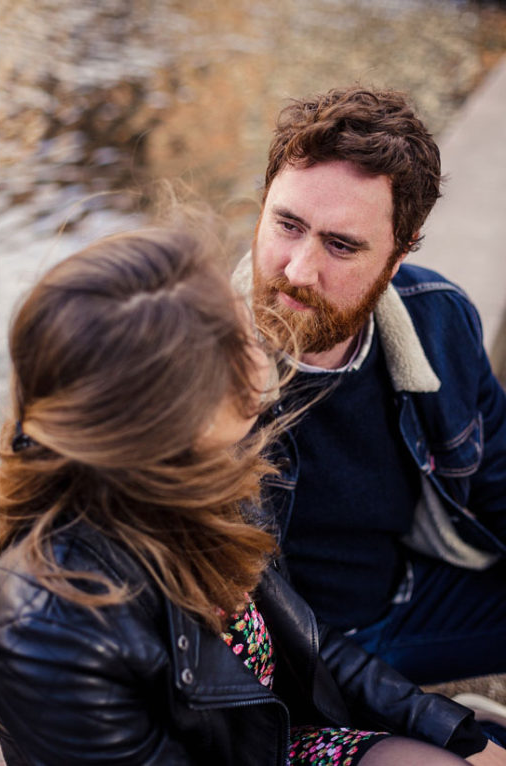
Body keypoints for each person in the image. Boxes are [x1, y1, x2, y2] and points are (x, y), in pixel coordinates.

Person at [0, 225, 506, 765]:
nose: (265, 356)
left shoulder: (212, 478)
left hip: (280, 738)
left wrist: (456, 733)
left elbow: (309, 642)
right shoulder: (48, 626)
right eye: (242, 344)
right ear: (173, 416)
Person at [239, 86, 506, 685]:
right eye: (287, 224)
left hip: (412, 604)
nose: (299, 270)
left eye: (341, 245)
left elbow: (497, 474)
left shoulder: (438, 318)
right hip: (289, 664)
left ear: (399, 253)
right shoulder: (188, 363)